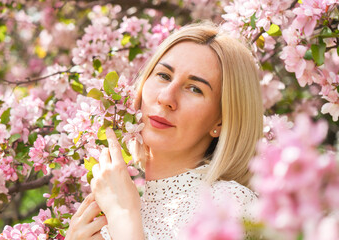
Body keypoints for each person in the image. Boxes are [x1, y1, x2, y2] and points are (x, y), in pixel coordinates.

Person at [65, 21, 263, 240]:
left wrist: (123, 215)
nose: (166, 97)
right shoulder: (110, 209)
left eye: (195, 89)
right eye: (164, 76)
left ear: (221, 121)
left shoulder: (229, 203)